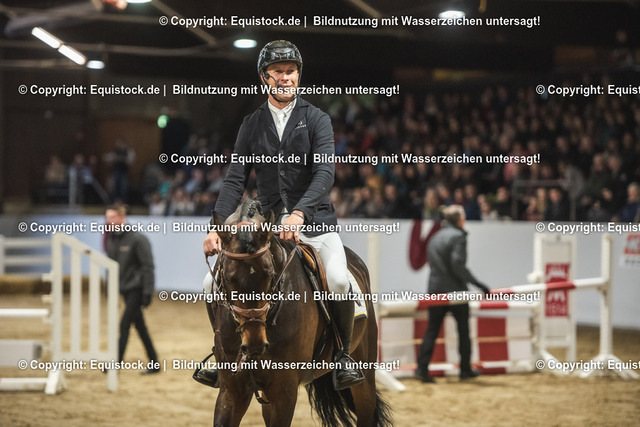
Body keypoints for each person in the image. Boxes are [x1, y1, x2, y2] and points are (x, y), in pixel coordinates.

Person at [195, 40, 363, 391]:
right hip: (266, 225)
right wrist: (215, 228)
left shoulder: (317, 119)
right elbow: (235, 179)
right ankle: (221, 353)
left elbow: (324, 173)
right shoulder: (252, 124)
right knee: (211, 283)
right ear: (264, 78)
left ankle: (342, 356)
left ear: (298, 76)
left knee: (337, 280)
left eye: (291, 71)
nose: (285, 78)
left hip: (314, 223)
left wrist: (300, 213)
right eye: (278, 72)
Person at [415, 205, 490, 383]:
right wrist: (478, 283)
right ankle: (465, 370)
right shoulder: (459, 237)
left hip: (435, 290)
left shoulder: (435, 237)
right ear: (460, 220)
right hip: (456, 292)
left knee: (432, 330)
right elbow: (457, 264)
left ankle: (422, 369)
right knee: (463, 331)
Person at [104, 204, 159, 374]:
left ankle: (115, 364)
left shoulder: (137, 239)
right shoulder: (112, 239)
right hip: (125, 290)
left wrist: (148, 292)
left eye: (112, 217)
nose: (108, 221)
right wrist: (109, 287)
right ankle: (155, 362)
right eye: (107, 217)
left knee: (124, 325)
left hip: (137, 289)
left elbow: (148, 266)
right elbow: (110, 265)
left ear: (122, 217)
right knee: (140, 326)